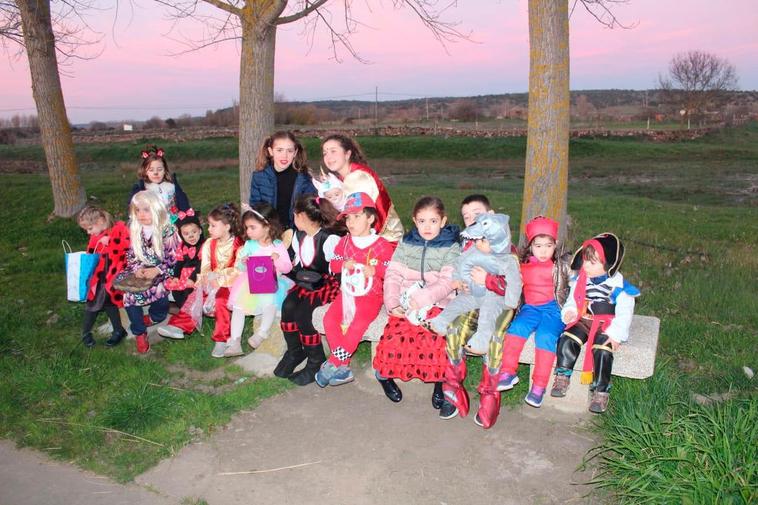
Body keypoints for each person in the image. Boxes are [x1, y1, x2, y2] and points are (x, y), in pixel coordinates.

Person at [429, 212, 522, 429]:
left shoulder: (509, 255)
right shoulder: (471, 248)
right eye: (466, 214)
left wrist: (488, 280)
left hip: (499, 303)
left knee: (495, 334)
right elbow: (461, 269)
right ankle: (453, 385)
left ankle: (490, 393)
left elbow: (512, 292)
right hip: (473, 298)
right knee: (454, 328)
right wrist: (460, 282)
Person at [372, 196, 460, 408]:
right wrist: (392, 302)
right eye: (422, 221)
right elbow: (393, 274)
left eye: (433, 221)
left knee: (433, 340)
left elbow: (447, 282)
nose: (427, 227)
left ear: (443, 220)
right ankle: (384, 376)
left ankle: (440, 382)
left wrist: (421, 299)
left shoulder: (451, 246)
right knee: (395, 336)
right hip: (405, 299)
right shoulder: (407, 242)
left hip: (438, 302)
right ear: (414, 221)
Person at [551, 232, 639, 414]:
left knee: (603, 349)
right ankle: (562, 375)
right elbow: (574, 300)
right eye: (585, 260)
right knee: (567, 338)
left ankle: (601, 391)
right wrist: (570, 312)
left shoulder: (619, 287)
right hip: (584, 320)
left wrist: (616, 335)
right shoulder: (580, 280)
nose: (586, 266)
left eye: (593, 262)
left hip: (607, 324)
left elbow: (624, 312)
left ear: (608, 264)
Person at [315, 192, 396, 388]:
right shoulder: (344, 242)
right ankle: (343, 366)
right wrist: (343, 264)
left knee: (358, 324)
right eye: (348, 217)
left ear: (370, 218)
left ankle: (334, 362)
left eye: (357, 216)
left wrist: (375, 269)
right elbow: (332, 266)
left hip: (371, 296)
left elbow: (391, 269)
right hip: (347, 293)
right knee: (329, 319)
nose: (351, 222)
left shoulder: (382, 245)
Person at [498, 216, 571, 408]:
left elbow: (578, 284)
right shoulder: (522, 265)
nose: (544, 251)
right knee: (516, 329)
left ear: (555, 245)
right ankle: (507, 371)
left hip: (554, 309)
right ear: (530, 246)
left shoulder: (562, 266)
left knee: (545, 336)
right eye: (538, 246)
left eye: (548, 245)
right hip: (530, 308)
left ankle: (539, 386)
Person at [275, 195, 343, 386]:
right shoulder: (299, 236)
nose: (294, 219)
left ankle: (316, 359)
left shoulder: (329, 240)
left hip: (324, 284)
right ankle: (295, 351)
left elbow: (337, 268)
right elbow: (298, 263)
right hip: (306, 281)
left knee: (304, 313)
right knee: (288, 306)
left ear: (303, 216)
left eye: (295, 215)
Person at [227, 204, 293, 355]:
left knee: (270, 302)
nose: (248, 232)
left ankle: (262, 333)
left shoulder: (277, 245)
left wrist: (276, 260)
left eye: (252, 227)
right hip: (250, 282)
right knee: (238, 307)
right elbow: (240, 266)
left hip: (271, 283)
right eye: (246, 228)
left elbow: (287, 268)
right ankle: (235, 340)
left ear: (267, 226)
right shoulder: (249, 245)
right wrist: (243, 263)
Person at [121, 191, 181, 353]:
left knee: (159, 292)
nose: (141, 215)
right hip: (142, 269)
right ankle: (139, 332)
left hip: (164, 270)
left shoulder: (168, 230)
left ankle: (157, 316)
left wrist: (157, 270)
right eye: (137, 210)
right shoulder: (135, 228)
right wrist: (137, 269)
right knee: (129, 296)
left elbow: (174, 257)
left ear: (156, 209)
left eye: (146, 210)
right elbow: (131, 255)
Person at [321, 134, 403, 242]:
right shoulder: (342, 178)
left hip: (385, 238)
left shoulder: (357, 178)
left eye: (333, 151)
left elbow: (362, 218)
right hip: (368, 234)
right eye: (325, 153)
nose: (328, 157)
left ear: (347, 154)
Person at [76, 205, 131, 348]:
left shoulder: (119, 228)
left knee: (108, 301)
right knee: (95, 301)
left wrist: (111, 242)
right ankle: (89, 332)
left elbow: (128, 247)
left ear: (100, 221)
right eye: (86, 230)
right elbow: (91, 254)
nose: (89, 233)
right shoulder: (95, 236)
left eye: (90, 228)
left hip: (114, 274)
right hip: (99, 276)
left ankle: (117, 330)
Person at [196, 203, 244, 358]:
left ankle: (221, 338)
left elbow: (238, 269)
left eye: (213, 225)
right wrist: (207, 278)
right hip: (211, 279)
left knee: (221, 299)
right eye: (209, 225)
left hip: (230, 283)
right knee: (193, 295)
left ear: (227, 227)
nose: (208, 229)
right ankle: (180, 325)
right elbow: (205, 265)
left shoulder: (238, 245)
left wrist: (220, 279)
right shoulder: (210, 243)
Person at [249, 131, 316, 230]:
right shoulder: (259, 177)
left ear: (295, 153)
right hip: (269, 232)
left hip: (296, 233)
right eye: (279, 150)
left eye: (289, 151)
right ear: (271, 151)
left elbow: (310, 208)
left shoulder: (304, 178)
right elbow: (255, 206)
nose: (284, 156)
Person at [157, 208, 206, 340]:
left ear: (200, 231)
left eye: (194, 232)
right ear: (181, 235)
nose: (191, 236)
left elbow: (201, 265)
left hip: (196, 277)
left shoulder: (204, 246)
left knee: (188, 295)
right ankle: (182, 314)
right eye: (186, 234)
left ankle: (186, 320)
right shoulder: (182, 247)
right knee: (177, 293)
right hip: (183, 277)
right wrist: (175, 277)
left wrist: (192, 278)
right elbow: (178, 263)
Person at [128, 145, 190, 221]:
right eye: (151, 170)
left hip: (174, 223)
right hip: (153, 223)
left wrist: (186, 219)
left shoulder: (172, 187)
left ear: (165, 170)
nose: (156, 173)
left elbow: (184, 204)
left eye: (159, 169)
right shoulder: (142, 189)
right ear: (145, 172)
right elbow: (133, 208)